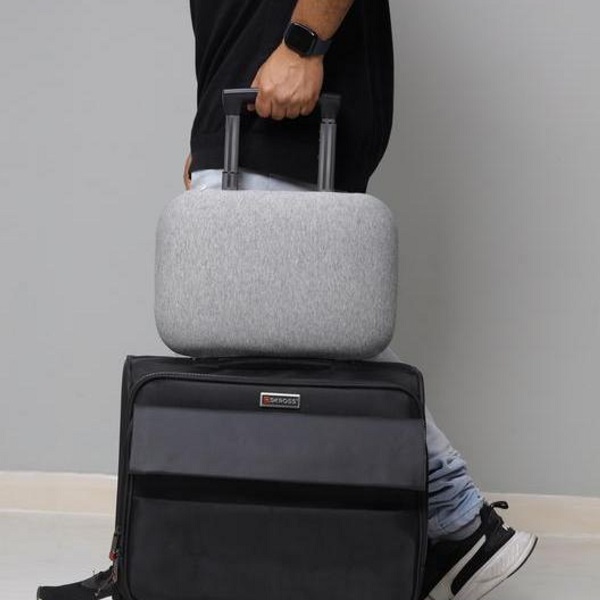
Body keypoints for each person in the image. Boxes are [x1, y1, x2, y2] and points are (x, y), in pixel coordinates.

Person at [37, 2, 537, 599]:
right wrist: (210, 133)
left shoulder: (297, 56)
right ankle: (452, 524)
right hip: (247, 102)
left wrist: (302, 45)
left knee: (295, 329)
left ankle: (456, 520)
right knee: (301, 339)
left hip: (283, 95)